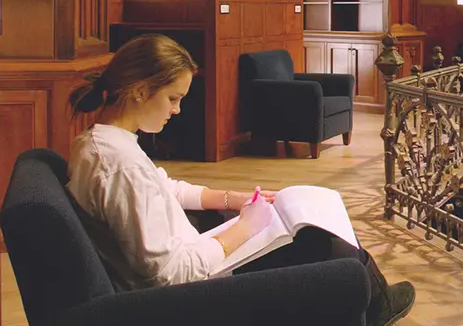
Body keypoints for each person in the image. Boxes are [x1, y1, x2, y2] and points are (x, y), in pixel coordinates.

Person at [66, 33, 415, 325]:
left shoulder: (103, 143)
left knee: (317, 234)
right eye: (173, 98)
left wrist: (234, 198)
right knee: (328, 245)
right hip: (191, 294)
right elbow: (171, 275)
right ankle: (376, 307)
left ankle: (373, 303)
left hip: (194, 257)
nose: (177, 110)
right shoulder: (118, 165)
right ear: (140, 90)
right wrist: (246, 226)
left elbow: (163, 188)